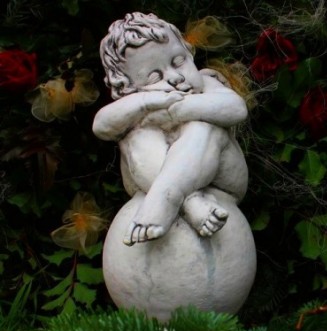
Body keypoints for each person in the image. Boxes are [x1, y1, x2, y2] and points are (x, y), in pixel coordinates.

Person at [93, 12, 249, 246]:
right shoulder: (137, 104)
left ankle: (168, 197)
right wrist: (145, 102)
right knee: (135, 137)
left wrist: (177, 111)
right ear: (129, 89)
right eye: (154, 77)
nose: (175, 77)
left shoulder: (207, 84)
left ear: (188, 52)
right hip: (153, 180)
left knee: (203, 126)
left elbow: (236, 108)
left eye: (178, 62)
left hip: (221, 180)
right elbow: (102, 126)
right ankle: (189, 202)